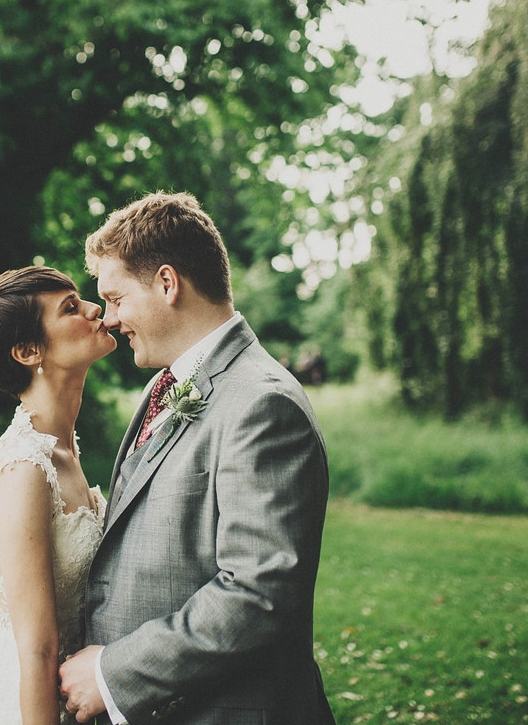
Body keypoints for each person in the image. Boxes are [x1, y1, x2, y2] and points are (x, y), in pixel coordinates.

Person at [58, 192, 336, 724]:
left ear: (167, 283)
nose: (110, 319)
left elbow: (259, 594)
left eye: (116, 298)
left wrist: (114, 674)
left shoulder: (262, 402)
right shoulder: (164, 385)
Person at [0, 266, 117, 725]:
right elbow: (39, 647)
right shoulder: (25, 469)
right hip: (31, 705)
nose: (94, 308)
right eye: (71, 307)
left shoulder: (63, 448)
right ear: (28, 351)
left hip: (77, 695)